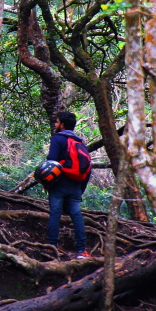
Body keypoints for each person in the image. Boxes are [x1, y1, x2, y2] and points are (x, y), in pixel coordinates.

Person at [45, 111, 92, 259]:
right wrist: (80, 189)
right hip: (76, 185)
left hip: (59, 183)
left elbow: (51, 161)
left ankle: (52, 247)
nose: (55, 124)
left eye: (57, 122)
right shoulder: (80, 143)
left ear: (62, 125)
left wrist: (47, 183)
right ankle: (82, 251)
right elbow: (88, 169)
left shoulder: (58, 139)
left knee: (55, 214)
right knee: (77, 216)